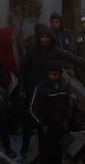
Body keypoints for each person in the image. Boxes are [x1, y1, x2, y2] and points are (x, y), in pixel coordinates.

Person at [17, 23, 63, 156]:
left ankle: (43, 150)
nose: (44, 40)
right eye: (42, 37)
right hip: (30, 90)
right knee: (27, 121)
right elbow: (22, 71)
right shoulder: (32, 51)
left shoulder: (55, 51)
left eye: (47, 37)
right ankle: (25, 147)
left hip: (45, 93)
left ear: (51, 38)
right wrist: (21, 88)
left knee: (44, 121)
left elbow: (71, 57)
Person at [29, 61, 72, 164]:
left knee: (57, 154)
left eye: (55, 74)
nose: (53, 77)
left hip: (59, 125)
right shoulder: (41, 86)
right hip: (46, 127)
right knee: (46, 154)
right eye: (51, 74)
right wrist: (41, 124)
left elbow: (68, 104)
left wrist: (66, 119)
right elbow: (32, 108)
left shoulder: (64, 85)